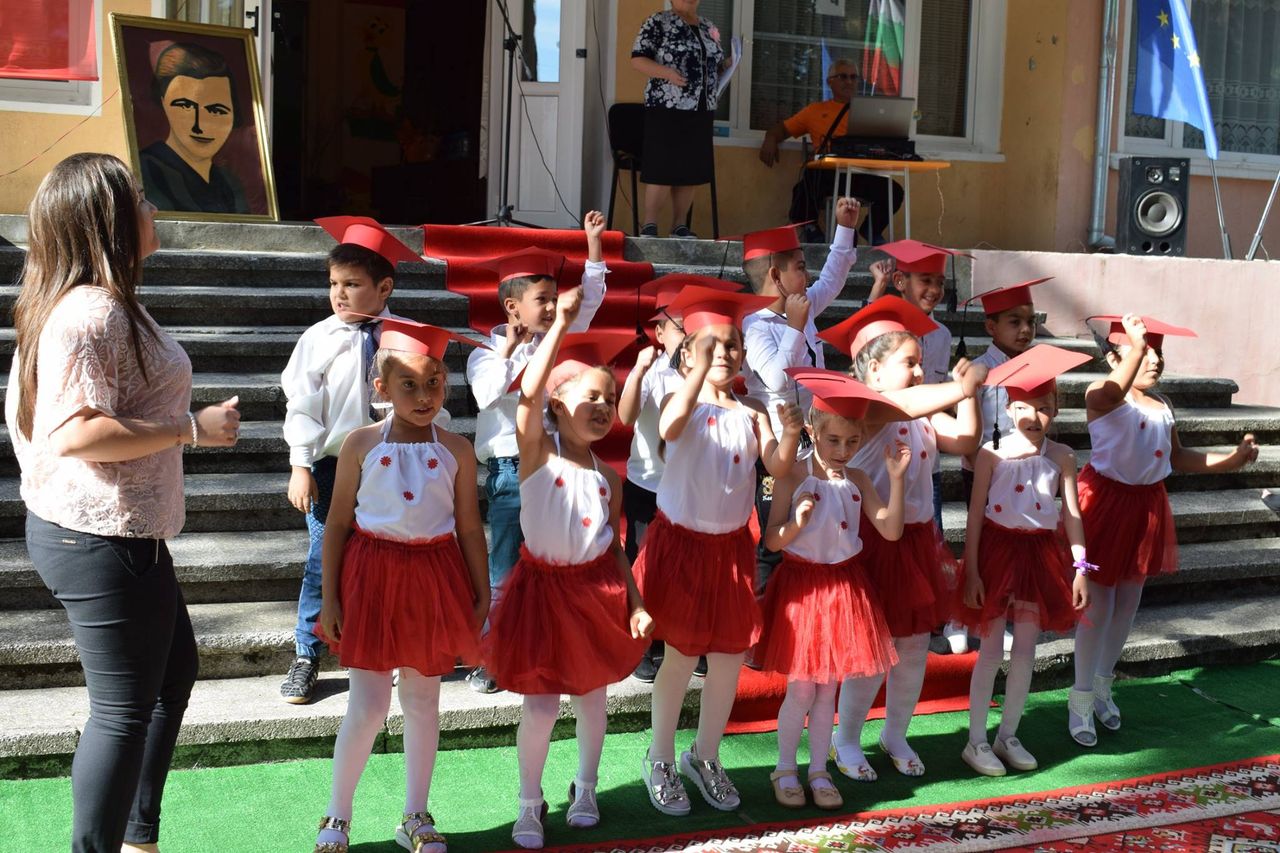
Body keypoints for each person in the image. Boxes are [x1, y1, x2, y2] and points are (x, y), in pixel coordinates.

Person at [5, 152, 241, 853]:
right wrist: (190, 428)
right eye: (139, 198)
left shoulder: (90, 302)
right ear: (107, 219)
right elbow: (76, 432)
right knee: (121, 712)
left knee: (171, 678)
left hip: (110, 533)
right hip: (101, 538)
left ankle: (138, 839)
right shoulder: (90, 312)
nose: (152, 207)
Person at [311, 320, 489, 853]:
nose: (424, 395)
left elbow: (469, 527)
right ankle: (337, 814)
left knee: (423, 700)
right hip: (372, 578)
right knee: (367, 705)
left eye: (434, 383)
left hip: (434, 580)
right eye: (408, 384)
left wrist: (481, 593)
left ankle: (416, 814)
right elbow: (336, 523)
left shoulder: (456, 449)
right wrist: (330, 596)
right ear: (381, 388)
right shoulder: (360, 444)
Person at [485, 296, 652, 849]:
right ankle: (528, 802)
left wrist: (635, 602)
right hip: (541, 594)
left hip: (594, 594)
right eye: (591, 396)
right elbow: (527, 394)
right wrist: (559, 324)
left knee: (593, 699)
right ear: (558, 403)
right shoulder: (537, 452)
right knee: (539, 706)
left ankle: (586, 787)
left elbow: (614, 548)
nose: (604, 406)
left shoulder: (610, 477)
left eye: (610, 399)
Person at [632, 286, 803, 816]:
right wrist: (696, 373)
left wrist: (789, 435)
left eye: (731, 345)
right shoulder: (676, 401)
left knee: (728, 660)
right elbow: (669, 429)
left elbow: (776, 466)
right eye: (710, 345)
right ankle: (659, 757)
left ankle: (704, 755)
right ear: (685, 355)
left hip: (730, 550)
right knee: (681, 657)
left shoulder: (753, 411)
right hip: (682, 547)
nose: (723, 353)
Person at [1068, 314, 1259, 747]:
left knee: (1127, 605)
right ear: (1114, 358)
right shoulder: (1101, 394)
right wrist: (1134, 349)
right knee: (1098, 607)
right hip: (1106, 506)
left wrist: (1231, 460)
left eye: (1159, 353)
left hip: (1146, 507)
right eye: (1144, 352)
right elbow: (1111, 392)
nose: (1155, 360)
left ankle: (1102, 685)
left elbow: (1178, 457)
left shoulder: (1162, 405)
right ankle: (1079, 698)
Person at [818, 299, 986, 781]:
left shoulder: (921, 415)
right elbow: (901, 405)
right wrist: (959, 385)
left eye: (920, 362)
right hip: (873, 544)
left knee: (913, 650)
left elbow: (967, 440)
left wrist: (969, 394)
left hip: (915, 545)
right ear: (873, 369)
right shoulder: (864, 411)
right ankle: (846, 739)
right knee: (872, 653)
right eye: (908, 362)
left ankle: (895, 734)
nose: (918, 371)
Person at [463, 211, 609, 694]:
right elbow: (487, 394)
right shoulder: (484, 352)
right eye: (540, 300)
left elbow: (588, 303)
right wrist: (511, 351)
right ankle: (494, 656)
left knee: (551, 562)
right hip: (510, 469)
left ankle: (547, 644)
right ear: (512, 306)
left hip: (554, 468)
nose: (550, 308)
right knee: (507, 565)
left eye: (552, 298)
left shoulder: (556, 341)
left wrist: (593, 247)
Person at [279, 216, 424, 705]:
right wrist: (301, 465)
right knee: (324, 557)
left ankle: (395, 648)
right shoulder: (318, 338)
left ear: (384, 288)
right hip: (334, 465)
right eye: (333, 284)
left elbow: (426, 399)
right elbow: (302, 404)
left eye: (352, 284)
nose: (339, 294)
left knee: (395, 557)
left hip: (393, 465)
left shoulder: (405, 336)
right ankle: (307, 652)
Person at [757, 370, 909, 811]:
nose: (843, 451)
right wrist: (796, 524)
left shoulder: (858, 479)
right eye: (834, 440)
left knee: (828, 691)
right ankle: (785, 767)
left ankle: (819, 770)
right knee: (802, 690)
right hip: (804, 591)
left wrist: (897, 479)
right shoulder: (792, 475)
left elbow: (891, 530)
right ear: (812, 429)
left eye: (852, 441)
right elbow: (771, 541)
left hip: (845, 589)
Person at [954, 345, 1093, 777]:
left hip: (1039, 557)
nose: (1034, 416)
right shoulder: (990, 454)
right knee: (991, 648)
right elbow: (975, 516)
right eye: (1025, 407)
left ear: (1056, 410)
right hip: (997, 554)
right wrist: (972, 570)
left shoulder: (1063, 456)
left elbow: (1072, 515)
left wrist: (1081, 567)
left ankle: (1008, 734)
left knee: (1027, 649)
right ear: (1009, 408)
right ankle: (976, 739)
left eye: (1045, 408)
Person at [621, 274, 740, 682]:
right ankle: (644, 643)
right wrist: (637, 372)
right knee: (645, 565)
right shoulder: (658, 374)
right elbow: (629, 416)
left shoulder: (712, 381)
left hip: (691, 493)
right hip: (648, 483)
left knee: (687, 574)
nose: (688, 336)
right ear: (660, 334)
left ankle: (688, 637)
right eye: (677, 326)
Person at [741, 199, 861, 600]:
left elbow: (832, 280)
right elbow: (776, 377)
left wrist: (845, 229)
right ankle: (763, 615)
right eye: (799, 267)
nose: (806, 276)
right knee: (772, 535)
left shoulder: (804, 306)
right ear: (775, 276)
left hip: (813, 444)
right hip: (778, 447)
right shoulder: (754, 324)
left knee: (808, 527)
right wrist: (794, 328)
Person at [944, 276, 1053, 655]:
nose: (1025, 330)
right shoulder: (977, 371)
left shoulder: (1037, 369)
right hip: (983, 472)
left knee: (1007, 552)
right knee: (981, 545)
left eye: (1030, 322)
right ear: (991, 327)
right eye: (1014, 321)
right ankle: (959, 616)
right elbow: (967, 430)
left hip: (1022, 476)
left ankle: (994, 615)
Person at [757, 58, 904, 245]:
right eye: (843, 77)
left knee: (894, 191)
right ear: (830, 82)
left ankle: (871, 230)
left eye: (853, 77)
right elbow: (781, 130)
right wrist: (770, 138)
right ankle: (810, 228)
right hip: (828, 175)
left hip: (861, 174)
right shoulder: (814, 111)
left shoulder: (871, 112)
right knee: (806, 181)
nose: (849, 82)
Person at [630, 0, 728, 238]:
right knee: (662, 167)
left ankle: (679, 225)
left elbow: (712, 65)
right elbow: (638, 59)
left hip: (701, 108)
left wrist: (727, 65)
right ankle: (650, 225)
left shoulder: (708, 27)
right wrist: (667, 73)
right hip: (667, 106)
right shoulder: (658, 21)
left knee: (690, 168)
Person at [140, 41, 249, 215]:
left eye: (216, 110)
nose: (199, 126)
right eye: (185, 106)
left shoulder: (228, 181)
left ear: (233, 114)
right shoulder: (146, 170)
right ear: (163, 103)